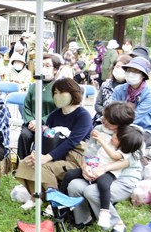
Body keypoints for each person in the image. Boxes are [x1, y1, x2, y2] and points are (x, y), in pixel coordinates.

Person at [67, 102, 142, 232]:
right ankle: (84, 219)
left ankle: (117, 224)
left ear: (120, 125)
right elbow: (89, 152)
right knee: (74, 185)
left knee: (92, 191)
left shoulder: (134, 133)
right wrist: (85, 168)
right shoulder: (99, 129)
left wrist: (104, 169)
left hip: (123, 178)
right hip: (98, 173)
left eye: (109, 120)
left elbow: (129, 160)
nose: (104, 120)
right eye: (105, 116)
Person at [15, 78, 93, 210]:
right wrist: (36, 152)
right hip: (53, 153)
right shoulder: (54, 115)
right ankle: (37, 196)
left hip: (74, 157)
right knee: (26, 163)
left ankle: (55, 201)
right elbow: (44, 136)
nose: (57, 96)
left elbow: (71, 142)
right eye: (55, 93)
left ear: (73, 93)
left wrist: (46, 158)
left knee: (43, 167)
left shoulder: (83, 115)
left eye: (61, 92)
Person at [17, 53, 61, 160]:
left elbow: (58, 109)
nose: (44, 68)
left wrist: (40, 121)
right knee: (24, 136)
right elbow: (26, 105)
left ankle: (37, 166)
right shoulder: (34, 86)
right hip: (31, 123)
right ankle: (22, 165)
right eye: (42, 65)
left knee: (41, 137)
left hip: (48, 125)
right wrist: (31, 121)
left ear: (55, 70)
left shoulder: (59, 87)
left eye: (47, 66)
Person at [111, 56, 151, 146]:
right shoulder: (119, 89)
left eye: (135, 71)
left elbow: (137, 116)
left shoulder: (149, 94)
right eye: (129, 70)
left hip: (143, 128)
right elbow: (112, 110)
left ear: (143, 75)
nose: (131, 74)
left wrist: (118, 126)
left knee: (126, 142)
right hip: (119, 125)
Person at [93, 54, 131, 123]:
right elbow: (97, 105)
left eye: (123, 68)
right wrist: (107, 114)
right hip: (102, 119)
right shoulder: (106, 85)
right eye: (117, 66)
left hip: (121, 122)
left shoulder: (130, 88)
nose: (119, 69)